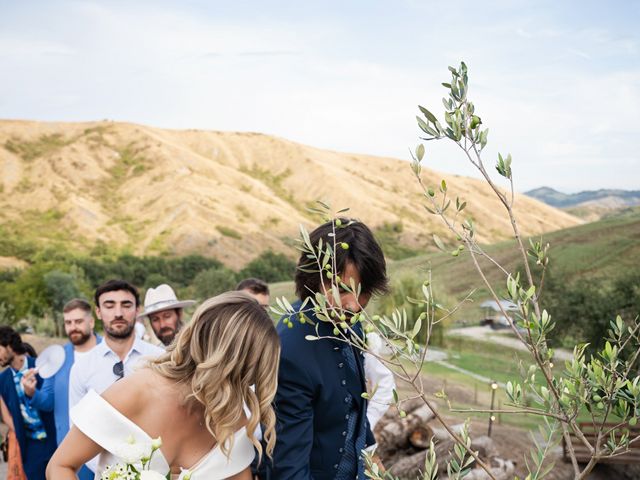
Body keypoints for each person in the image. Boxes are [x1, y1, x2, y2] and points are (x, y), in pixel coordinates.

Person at [46, 291, 281, 480]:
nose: (249, 383)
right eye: (248, 372)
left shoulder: (232, 420)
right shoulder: (137, 391)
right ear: (224, 360)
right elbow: (60, 466)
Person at [265, 218, 389, 479]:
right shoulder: (291, 352)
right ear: (314, 280)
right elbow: (290, 469)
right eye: (343, 289)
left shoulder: (350, 323)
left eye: (363, 290)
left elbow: (355, 408)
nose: (354, 305)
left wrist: (373, 462)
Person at [68, 279, 163, 474]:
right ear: (98, 312)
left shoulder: (160, 359)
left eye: (126, 305)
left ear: (137, 311)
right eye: (109, 306)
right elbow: (77, 428)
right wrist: (113, 473)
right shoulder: (82, 368)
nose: (118, 313)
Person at [25, 299, 101, 480]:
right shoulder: (57, 356)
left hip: (105, 445)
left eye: (78, 321)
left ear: (91, 322)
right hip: (70, 448)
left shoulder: (108, 351)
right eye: (68, 322)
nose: (73, 327)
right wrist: (31, 393)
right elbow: (49, 401)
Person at [0, 326, 56, 479]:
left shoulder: (42, 366)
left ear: (9, 346)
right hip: (30, 448)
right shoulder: (3, 380)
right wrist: (17, 430)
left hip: (55, 440)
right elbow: (6, 416)